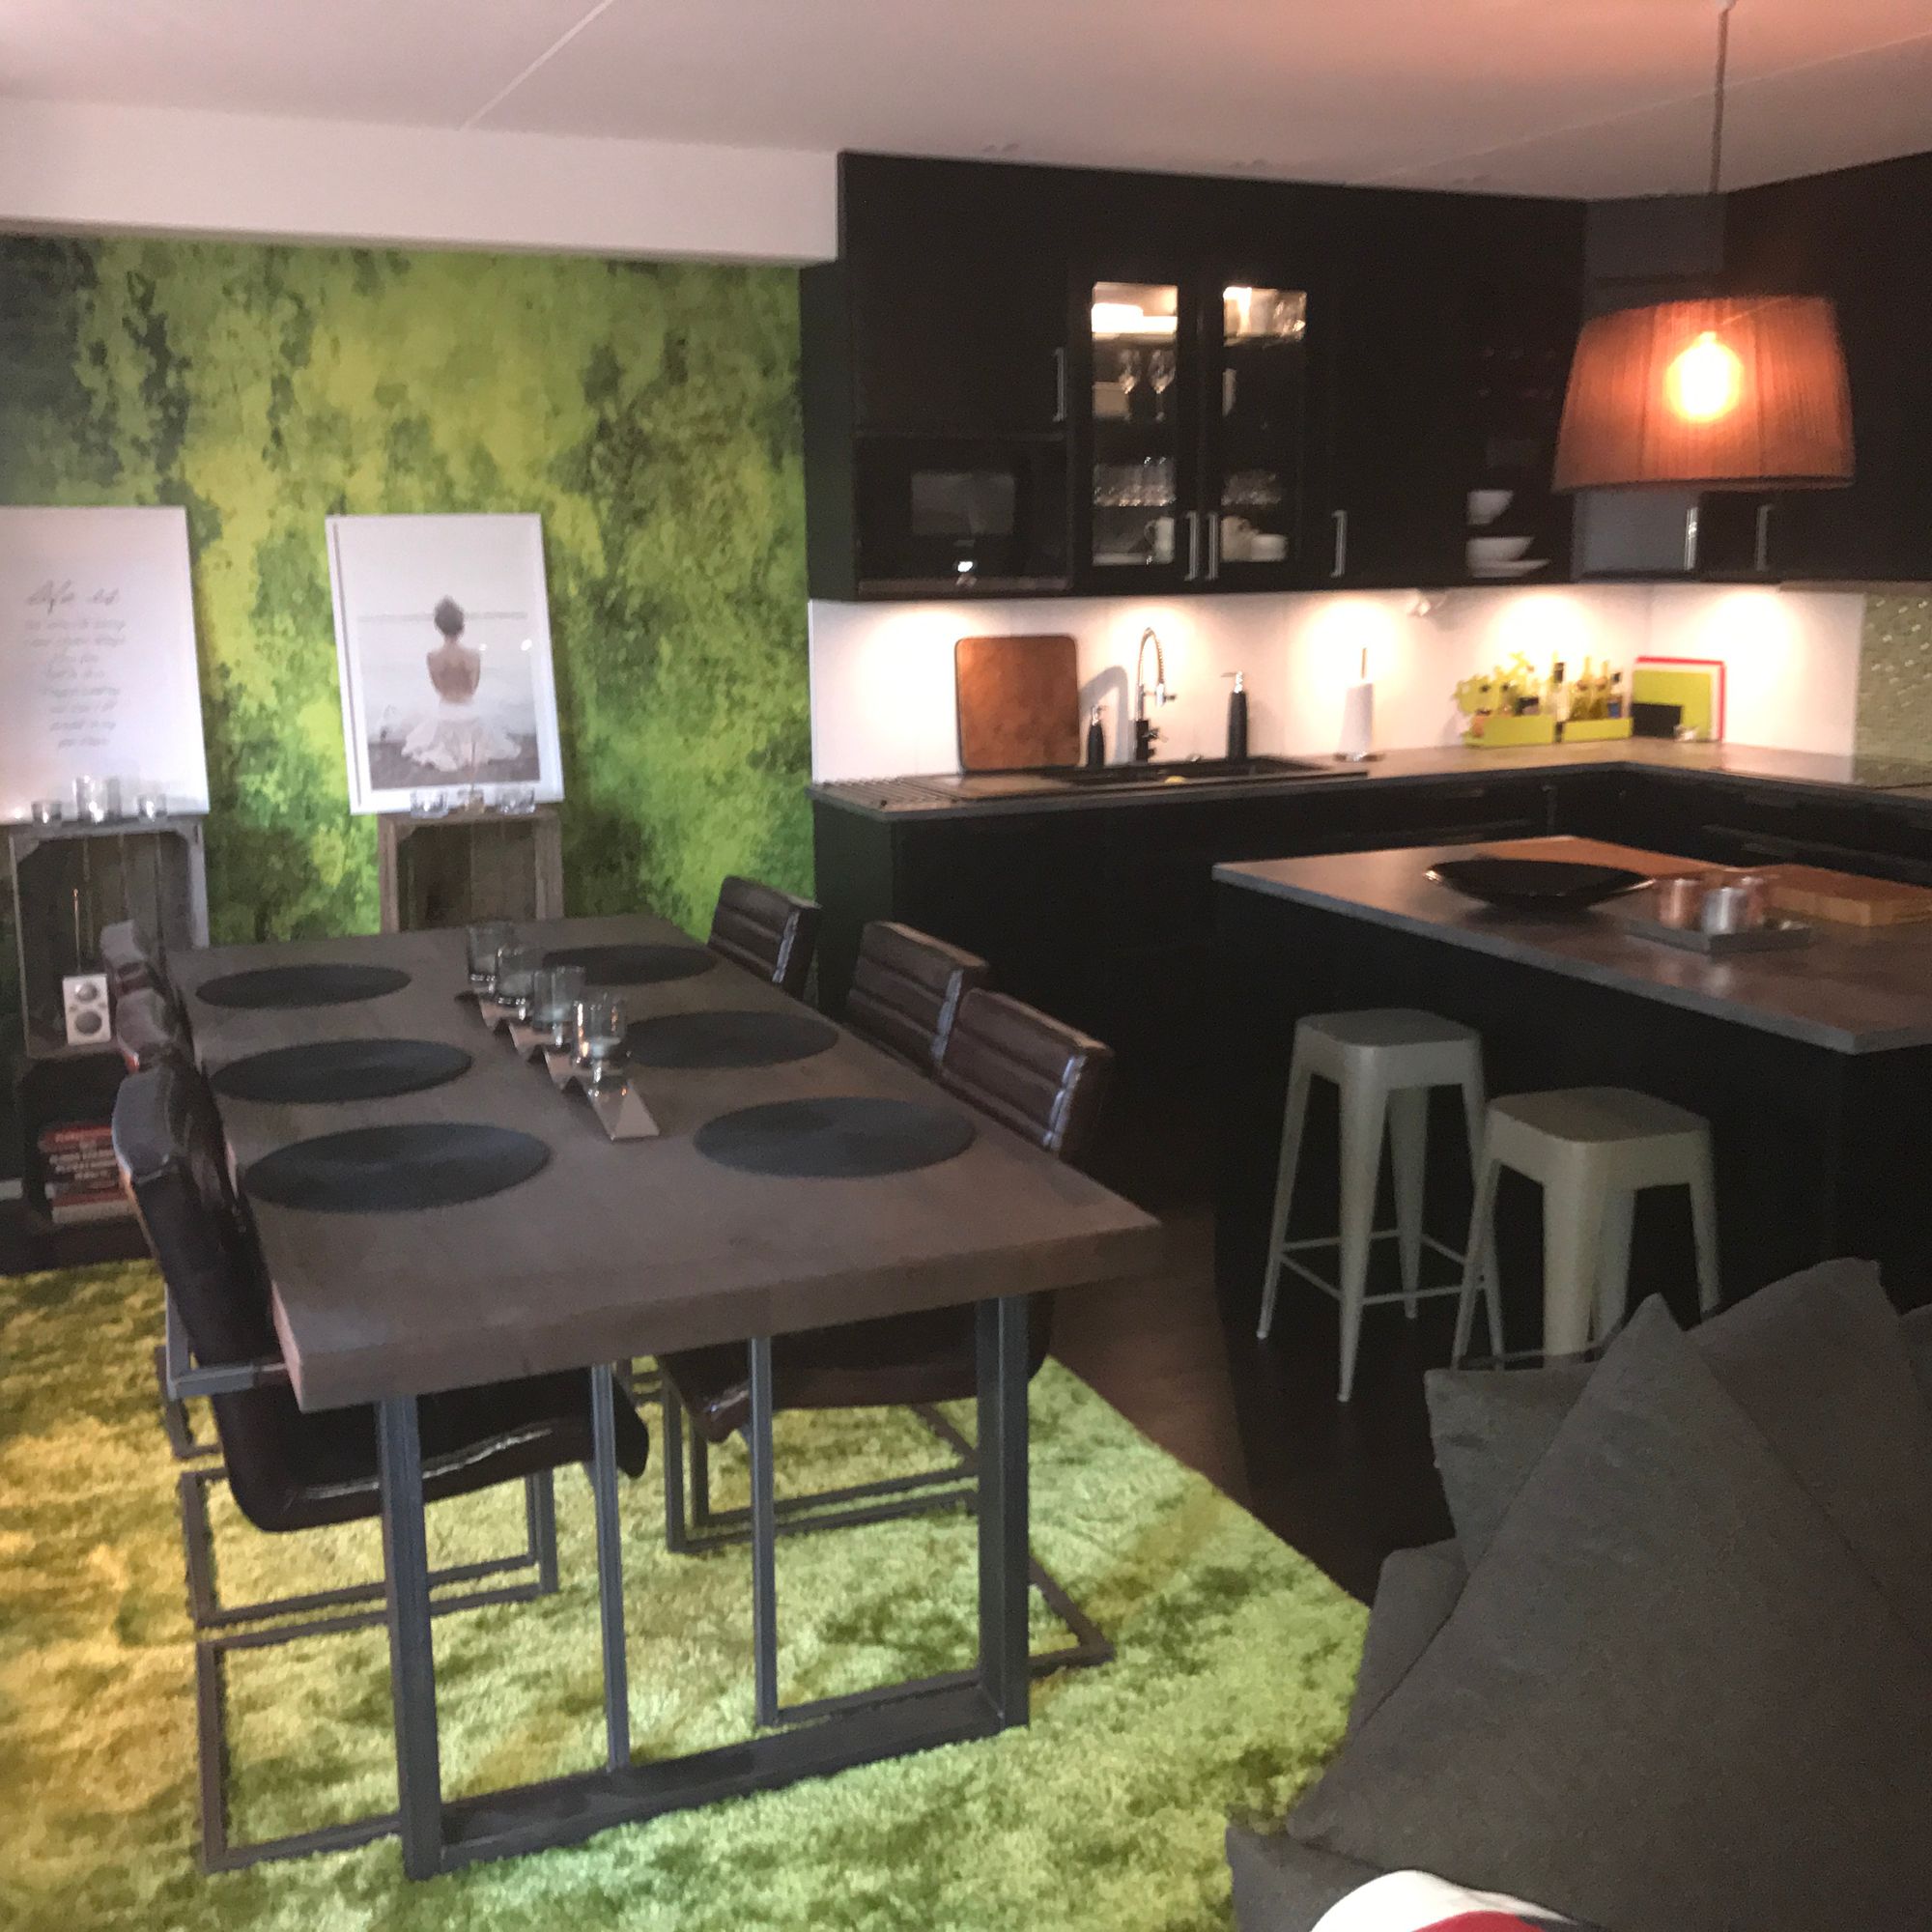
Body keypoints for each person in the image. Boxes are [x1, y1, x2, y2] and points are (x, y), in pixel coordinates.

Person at [400, 596, 518, 776]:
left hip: (446, 713)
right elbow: (472, 688)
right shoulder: (473, 656)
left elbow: (438, 688)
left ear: (439, 626)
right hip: (469, 713)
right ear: (461, 625)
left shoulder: (433, 657)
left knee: (425, 738)